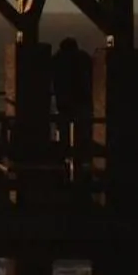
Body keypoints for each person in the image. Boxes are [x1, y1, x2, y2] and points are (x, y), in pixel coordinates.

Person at [51, 37, 93, 175]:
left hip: (64, 105)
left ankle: (65, 169)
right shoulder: (84, 59)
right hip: (83, 105)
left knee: (64, 138)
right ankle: (81, 170)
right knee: (82, 137)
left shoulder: (58, 59)